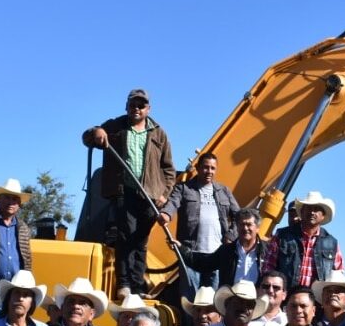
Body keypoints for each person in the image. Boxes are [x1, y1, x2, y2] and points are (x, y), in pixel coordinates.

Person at [82, 88, 177, 295]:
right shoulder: (114, 126)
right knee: (126, 235)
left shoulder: (159, 133)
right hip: (124, 191)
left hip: (150, 195)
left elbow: (169, 169)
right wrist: (95, 132)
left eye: (141, 105)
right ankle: (124, 284)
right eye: (133, 104)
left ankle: (137, 284)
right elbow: (87, 138)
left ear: (148, 109)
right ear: (127, 106)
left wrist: (164, 194)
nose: (137, 108)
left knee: (141, 241)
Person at [159, 152, 241, 291]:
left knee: (212, 302)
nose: (209, 171)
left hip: (217, 254)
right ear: (197, 168)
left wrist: (230, 236)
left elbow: (239, 217)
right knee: (190, 298)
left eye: (212, 168)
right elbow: (173, 202)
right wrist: (166, 214)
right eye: (205, 167)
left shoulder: (224, 191)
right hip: (191, 254)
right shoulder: (184, 188)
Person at [262, 191, 344, 287]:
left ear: (323, 216)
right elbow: (268, 266)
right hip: (285, 297)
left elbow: (338, 274)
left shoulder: (331, 243)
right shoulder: (282, 236)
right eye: (308, 208)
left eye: (316, 209)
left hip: (315, 299)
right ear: (301, 212)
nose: (312, 212)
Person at [180, 208, 270, 287]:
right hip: (231, 301)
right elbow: (204, 263)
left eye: (249, 224)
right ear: (237, 227)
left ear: (257, 228)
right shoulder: (226, 251)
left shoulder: (268, 251)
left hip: (257, 302)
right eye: (242, 224)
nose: (245, 228)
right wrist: (181, 249)